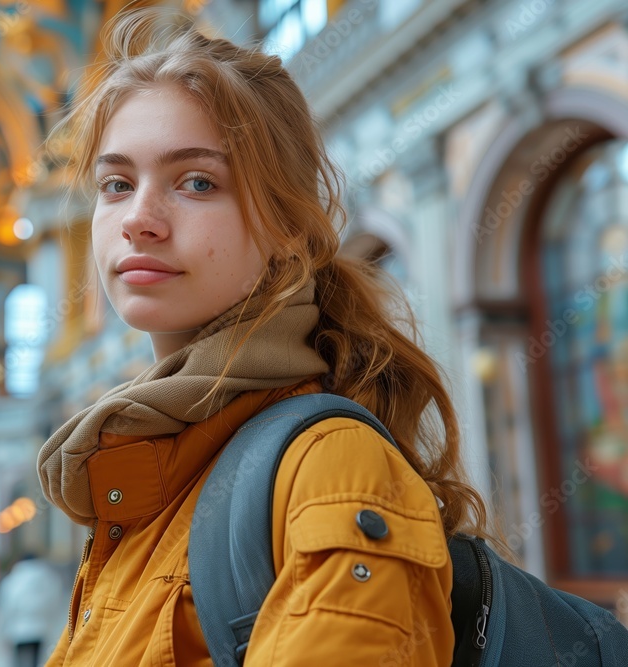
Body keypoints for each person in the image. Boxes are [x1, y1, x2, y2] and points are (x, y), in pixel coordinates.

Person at [36, 7, 492, 665]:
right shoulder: (148, 469)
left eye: (196, 181)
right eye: (117, 183)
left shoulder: (333, 471)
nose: (139, 219)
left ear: (285, 228)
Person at [0, 553, 65, 667]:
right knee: (36, 661)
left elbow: (5, 605)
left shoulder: (14, 578)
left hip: (18, 629)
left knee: (19, 661)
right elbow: (55, 601)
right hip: (41, 628)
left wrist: (0, 632)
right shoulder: (49, 578)